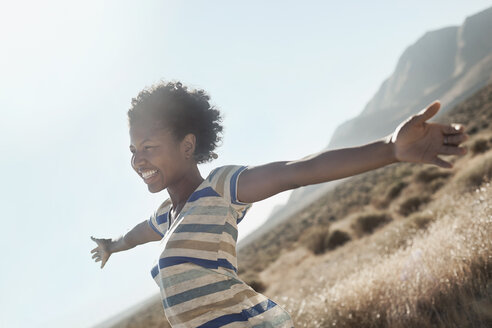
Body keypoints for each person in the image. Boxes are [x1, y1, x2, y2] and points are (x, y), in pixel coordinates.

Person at [90, 81, 469, 327]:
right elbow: (138, 234)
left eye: (149, 148)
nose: (138, 161)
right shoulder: (166, 217)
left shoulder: (220, 188)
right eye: (134, 151)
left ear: (187, 146)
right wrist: (112, 245)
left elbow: (296, 172)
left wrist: (389, 149)